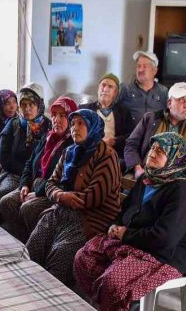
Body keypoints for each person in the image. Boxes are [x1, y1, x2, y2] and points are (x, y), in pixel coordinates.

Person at [74, 133, 186, 311]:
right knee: (84, 258)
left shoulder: (181, 191)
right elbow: (124, 210)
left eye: (161, 151)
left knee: (114, 282)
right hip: (134, 243)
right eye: (152, 148)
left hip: (163, 256)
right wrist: (114, 226)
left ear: (175, 157)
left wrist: (126, 235)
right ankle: (115, 310)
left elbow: (165, 238)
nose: (152, 154)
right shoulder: (147, 179)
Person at [27, 109, 121, 285]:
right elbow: (50, 183)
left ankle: (53, 298)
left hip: (91, 219)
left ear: (93, 127)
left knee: (59, 257)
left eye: (81, 123)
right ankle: (26, 290)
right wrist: (61, 196)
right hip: (63, 210)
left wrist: (65, 198)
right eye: (73, 124)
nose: (74, 128)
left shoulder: (106, 156)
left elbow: (94, 197)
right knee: (33, 248)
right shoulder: (70, 151)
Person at [0, 96, 77, 242]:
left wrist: (38, 193)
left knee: (28, 208)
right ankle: (22, 239)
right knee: (6, 202)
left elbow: (62, 180)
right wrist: (24, 185)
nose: (56, 120)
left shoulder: (72, 145)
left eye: (62, 116)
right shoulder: (48, 137)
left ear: (71, 119)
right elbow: (30, 163)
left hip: (51, 191)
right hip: (34, 184)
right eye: (54, 115)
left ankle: (34, 243)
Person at [124, 83, 186, 177]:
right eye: (181, 100)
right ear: (169, 103)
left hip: (178, 179)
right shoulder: (150, 119)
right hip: (145, 171)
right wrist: (137, 169)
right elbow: (131, 145)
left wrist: (183, 178)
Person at [0, 83, 50, 206]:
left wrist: (33, 176)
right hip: (14, 173)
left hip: (40, 175)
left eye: (31, 104)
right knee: (6, 192)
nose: (26, 109)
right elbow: (4, 158)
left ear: (39, 106)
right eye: (23, 105)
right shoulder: (13, 124)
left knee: (32, 199)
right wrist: (25, 174)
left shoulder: (49, 126)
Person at [80, 73, 134, 161]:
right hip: (90, 153)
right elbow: (77, 134)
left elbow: (131, 135)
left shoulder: (124, 111)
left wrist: (115, 141)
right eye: (103, 85)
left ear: (115, 93)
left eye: (110, 87)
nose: (105, 89)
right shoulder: (84, 109)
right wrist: (99, 143)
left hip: (114, 154)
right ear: (98, 89)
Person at [118, 51, 169, 127]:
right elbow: (108, 108)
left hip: (154, 137)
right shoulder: (124, 88)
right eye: (139, 66)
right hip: (128, 137)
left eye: (144, 66)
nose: (140, 70)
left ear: (154, 71)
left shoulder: (164, 92)